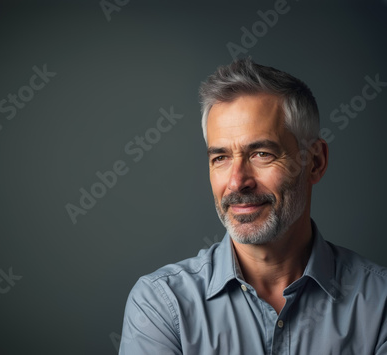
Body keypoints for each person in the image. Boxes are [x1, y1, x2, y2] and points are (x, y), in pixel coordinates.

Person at [119, 58, 387, 354]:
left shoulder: (380, 304)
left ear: (315, 162)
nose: (237, 182)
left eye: (261, 153)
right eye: (220, 158)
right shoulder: (161, 306)